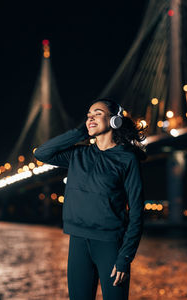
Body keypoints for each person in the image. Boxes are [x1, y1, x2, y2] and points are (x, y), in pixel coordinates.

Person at [34, 97, 148, 300]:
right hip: (78, 242)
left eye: (97, 114)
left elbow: (138, 211)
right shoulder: (78, 154)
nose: (90, 118)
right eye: (88, 116)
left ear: (115, 120)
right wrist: (79, 132)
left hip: (111, 246)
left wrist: (125, 258)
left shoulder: (127, 159)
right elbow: (42, 153)